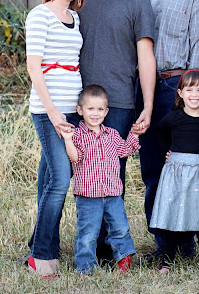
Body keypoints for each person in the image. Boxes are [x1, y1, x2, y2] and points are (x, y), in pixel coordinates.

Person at [138, 0, 199, 261]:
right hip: (148, 86)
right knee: (153, 167)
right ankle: (163, 243)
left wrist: (189, 99)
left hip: (178, 86)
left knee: (181, 168)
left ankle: (184, 243)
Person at [78, 0, 156, 262]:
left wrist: (147, 105)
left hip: (120, 103)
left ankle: (109, 248)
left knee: (112, 178)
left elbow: (146, 57)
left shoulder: (137, 1)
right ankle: (83, 242)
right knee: (80, 175)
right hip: (80, 104)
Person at [24, 0, 88, 279]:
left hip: (72, 109)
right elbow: (34, 67)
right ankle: (42, 255)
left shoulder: (74, 18)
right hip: (49, 111)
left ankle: (40, 244)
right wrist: (52, 112)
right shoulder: (39, 15)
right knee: (61, 180)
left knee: (48, 179)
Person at [150, 69, 199, 273]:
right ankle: (166, 260)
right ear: (180, 93)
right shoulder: (174, 117)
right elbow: (158, 133)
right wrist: (168, 151)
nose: (194, 94)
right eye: (189, 89)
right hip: (177, 172)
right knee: (174, 214)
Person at [62, 85, 142, 274]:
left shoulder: (112, 134)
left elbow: (125, 151)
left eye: (100, 109)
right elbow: (75, 158)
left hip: (113, 193)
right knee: (88, 233)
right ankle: (85, 267)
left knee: (120, 228)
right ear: (80, 110)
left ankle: (124, 260)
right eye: (90, 108)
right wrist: (67, 139)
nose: (95, 113)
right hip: (88, 196)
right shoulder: (78, 135)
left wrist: (134, 134)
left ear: (106, 111)